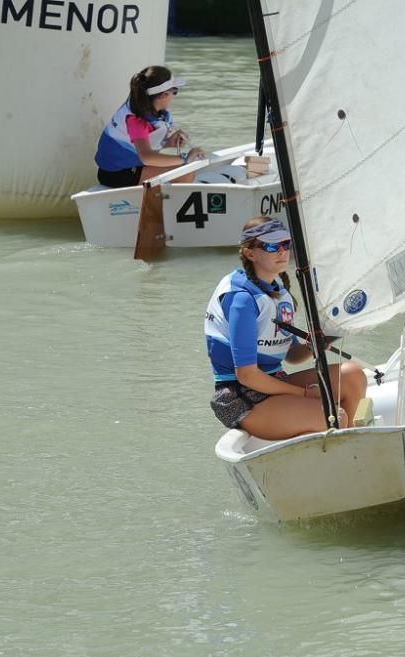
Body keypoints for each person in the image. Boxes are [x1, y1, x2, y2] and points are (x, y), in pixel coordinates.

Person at [205, 217, 368, 439]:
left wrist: (325, 338)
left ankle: (350, 449)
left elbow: (290, 355)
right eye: (272, 246)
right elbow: (246, 376)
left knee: (353, 375)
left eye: (286, 244)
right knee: (334, 416)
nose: (282, 251)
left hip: (275, 382)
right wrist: (304, 394)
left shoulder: (276, 291)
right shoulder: (242, 299)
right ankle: (342, 452)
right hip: (242, 397)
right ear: (250, 253)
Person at [94, 65, 206, 188]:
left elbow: (143, 145)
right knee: (186, 174)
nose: (174, 96)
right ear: (163, 95)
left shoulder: (146, 108)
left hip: (131, 165)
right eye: (174, 91)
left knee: (184, 170)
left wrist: (167, 143)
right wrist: (185, 158)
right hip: (116, 174)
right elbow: (147, 157)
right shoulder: (136, 120)